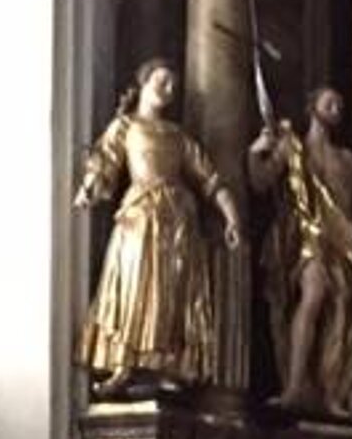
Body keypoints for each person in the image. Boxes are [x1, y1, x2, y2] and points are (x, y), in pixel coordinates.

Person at [74, 58, 242, 396]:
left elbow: (210, 179)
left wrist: (232, 216)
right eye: (161, 81)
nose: (168, 89)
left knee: (171, 292)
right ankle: (123, 364)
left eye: (172, 85)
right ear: (144, 83)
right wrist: (89, 187)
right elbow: (105, 161)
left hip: (178, 221)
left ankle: (165, 364)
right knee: (132, 284)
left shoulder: (178, 136)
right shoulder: (125, 125)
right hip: (139, 215)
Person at [248, 86, 352, 423]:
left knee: (344, 308)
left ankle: (333, 391)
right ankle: (294, 384)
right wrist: (255, 152)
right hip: (309, 236)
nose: (336, 108)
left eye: (340, 104)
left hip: (344, 240)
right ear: (311, 107)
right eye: (329, 102)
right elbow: (261, 182)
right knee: (314, 295)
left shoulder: (347, 159)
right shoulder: (292, 147)